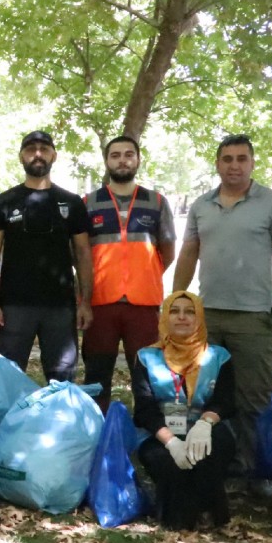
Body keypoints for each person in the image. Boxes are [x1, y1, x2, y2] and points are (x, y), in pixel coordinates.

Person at [172, 133, 272, 485]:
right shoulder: (201, 205)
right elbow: (188, 254)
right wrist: (177, 299)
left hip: (253, 316)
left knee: (253, 394)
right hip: (206, 314)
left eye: (242, 158)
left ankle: (255, 469)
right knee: (202, 391)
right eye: (227, 159)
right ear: (218, 164)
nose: (234, 165)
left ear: (252, 163)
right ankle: (207, 463)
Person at [0, 131, 93, 383]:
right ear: (22, 156)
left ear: (54, 155)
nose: (38, 154)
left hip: (60, 308)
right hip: (13, 306)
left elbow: (83, 254)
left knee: (62, 379)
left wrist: (85, 302)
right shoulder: (4, 202)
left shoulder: (71, 202)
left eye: (44, 148)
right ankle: (9, 423)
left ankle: (61, 422)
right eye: (31, 149)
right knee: (7, 378)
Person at [81, 135, 176, 410]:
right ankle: (97, 434)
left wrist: (144, 273)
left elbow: (167, 251)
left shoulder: (156, 202)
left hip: (144, 304)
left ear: (137, 159)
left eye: (128, 154)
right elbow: (80, 253)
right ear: (106, 161)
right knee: (97, 376)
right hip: (100, 303)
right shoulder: (88, 202)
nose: (122, 160)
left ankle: (146, 437)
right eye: (115, 155)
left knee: (146, 377)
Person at [133, 292, 237, 531]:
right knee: (170, 462)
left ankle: (209, 514)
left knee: (208, 452)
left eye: (189, 312)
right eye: (174, 311)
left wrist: (204, 424)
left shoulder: (218, 357)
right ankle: (181, 519)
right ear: (164, 318)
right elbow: (145, 410)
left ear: (199, 318)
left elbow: (226, 401)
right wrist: (171, 442)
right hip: (160, 433)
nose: (182, 317)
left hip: (205, 426)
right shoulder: (146, 357)